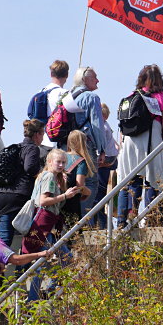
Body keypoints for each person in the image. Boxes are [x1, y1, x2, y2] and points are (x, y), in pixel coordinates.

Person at [116, 64, 163, 228]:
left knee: (128, 181)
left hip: (129, 142)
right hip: (150, 140)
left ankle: (122, 220)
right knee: (152, 180)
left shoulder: (131, 95)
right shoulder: (161, 96)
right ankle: (150, 218)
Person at [23, 149, 80, 300]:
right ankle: (37, 297)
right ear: (49, 162)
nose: (61, 165)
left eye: (63, 162)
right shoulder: (49, 176)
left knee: (56, 260)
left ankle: (40, 295)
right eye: (58, 162)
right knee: (59, 260)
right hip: (44, 225)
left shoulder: (50, 176)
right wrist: (65, 195)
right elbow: (43, 201)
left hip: (47, 225)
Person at [0, 119, 44, 247]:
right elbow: (30, 168)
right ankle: (24, 266)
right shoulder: (32, 148)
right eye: (42, 134)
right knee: (30, 237)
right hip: (19, 197)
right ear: (37, 134)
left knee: (5, 238)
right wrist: (43, 173)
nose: (43, 138)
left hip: (2, 195)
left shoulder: (15, 147)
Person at [63, 67, 106, 216]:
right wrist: (101, 149)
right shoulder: (91, 97)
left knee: (70, 180)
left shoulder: (68, 95)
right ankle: (81, 221)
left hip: (67, 144)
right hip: (85, 143)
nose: (98, 80)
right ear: (85, 79)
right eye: (95, 77)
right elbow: (97, 125)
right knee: (91, 182)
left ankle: (69, 219)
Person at [91, 103, 119, 229]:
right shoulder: (106, 125)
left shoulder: (101, 126)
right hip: (111, 159)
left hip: (105, 161)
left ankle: (101, 225)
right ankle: (103, 224)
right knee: (101, 195)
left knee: (98, 196)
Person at [63, 130, 95, 223]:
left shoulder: (61, 157)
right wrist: (88, 192)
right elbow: (79, 186)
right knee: (74, 232)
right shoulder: (81, 161)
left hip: (58, 199)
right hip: (71, 201)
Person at [38, 60, 69, 148]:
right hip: (57, 140)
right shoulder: (65, 94)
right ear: (67, 75)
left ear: (51, 74)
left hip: (41, 140)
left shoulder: (41, 91)